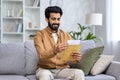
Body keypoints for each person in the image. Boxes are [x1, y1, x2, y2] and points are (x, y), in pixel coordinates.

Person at [34, 6, 85, 80]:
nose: (56, 22)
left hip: (62, 69)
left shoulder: (66, 35)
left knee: (79, 73)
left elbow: (71, 58)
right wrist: (54, 51)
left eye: (58, 19)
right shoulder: (39, 35)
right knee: (44, 76)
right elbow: (41, 56)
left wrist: (76, 58)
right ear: (46, 19)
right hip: (45, 69)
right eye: (53, 19)